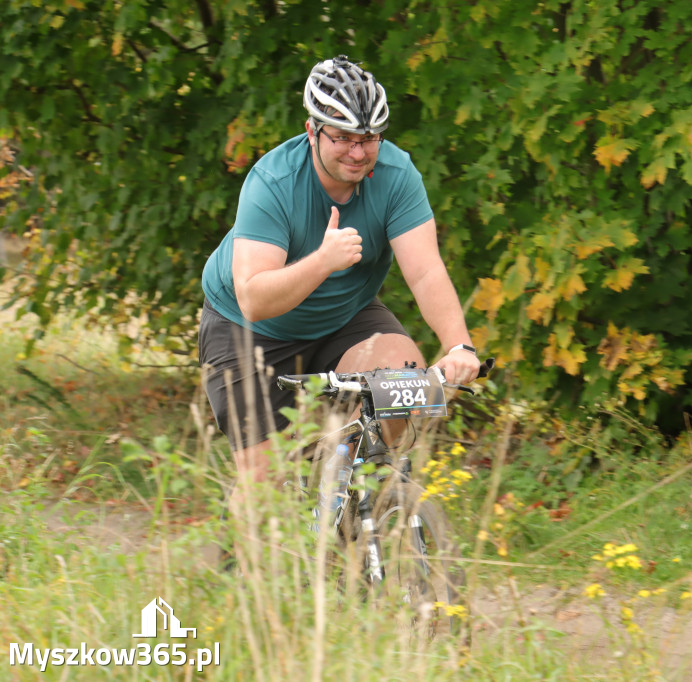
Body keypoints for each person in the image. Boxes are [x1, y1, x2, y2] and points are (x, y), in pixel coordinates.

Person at [198, 55, 481, 506]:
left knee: (403, 381)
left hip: (342, 315)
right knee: (264, 486)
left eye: (369, 138)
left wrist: (459, 346)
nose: (358, 151)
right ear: (312, 131)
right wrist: (322, 261)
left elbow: (425, 269)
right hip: (247, 327)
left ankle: (343, 491)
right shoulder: (272, 182)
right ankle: (248, 562)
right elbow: (253, 297)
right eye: (344, 137)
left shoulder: (395, 174)